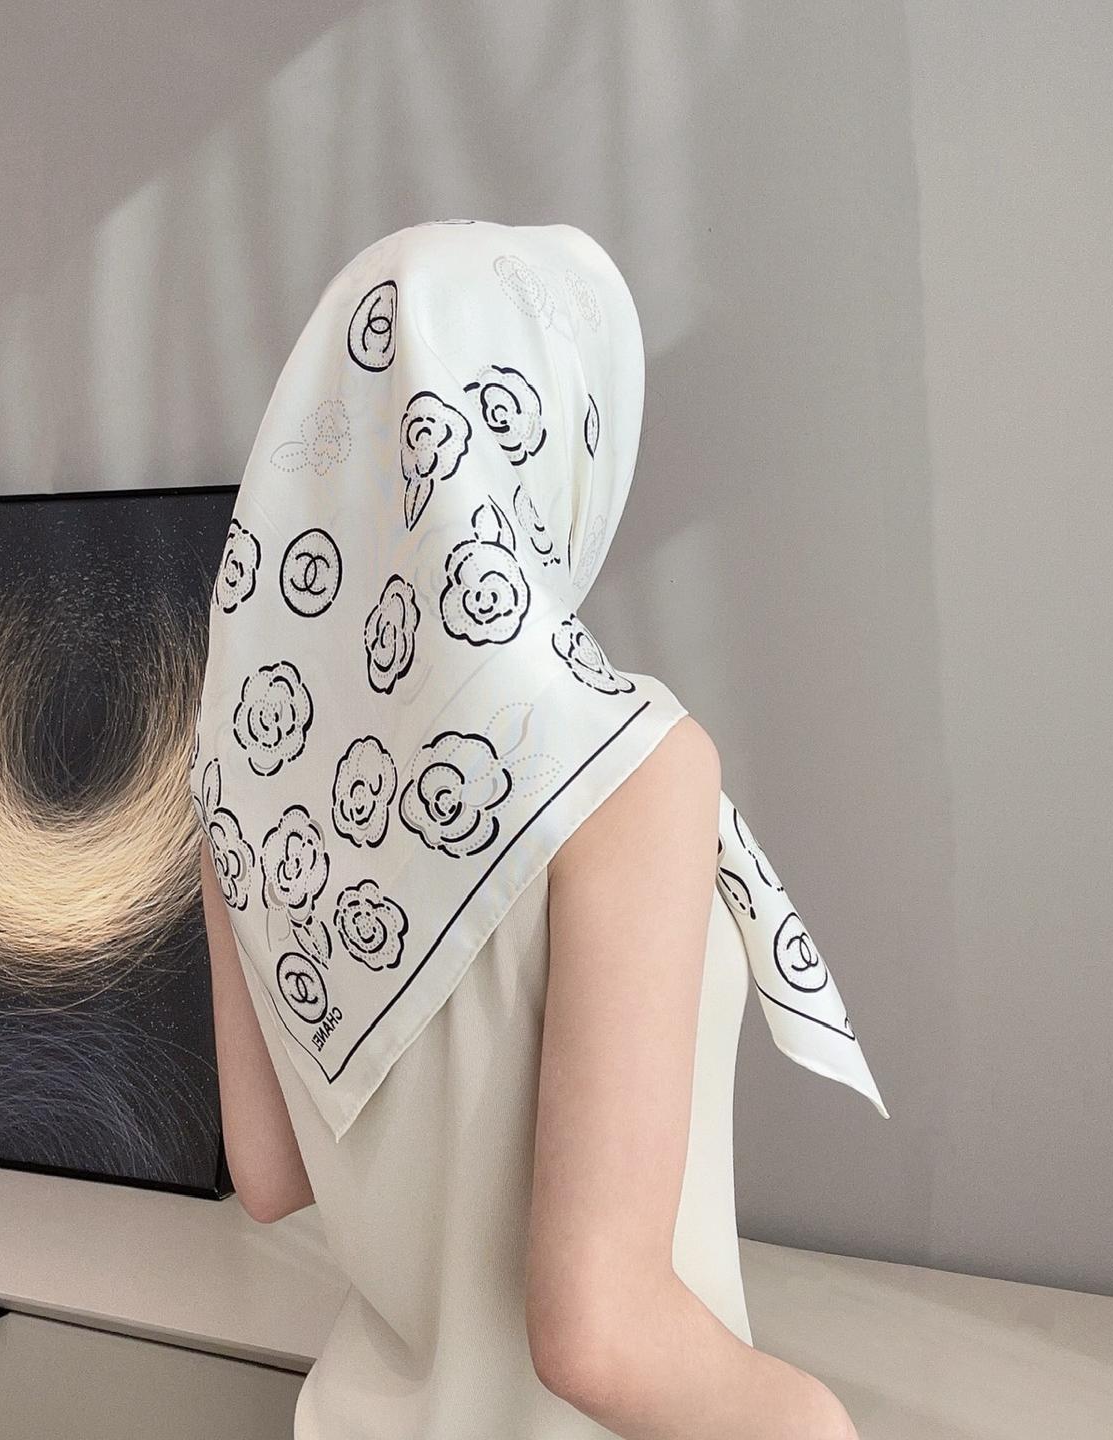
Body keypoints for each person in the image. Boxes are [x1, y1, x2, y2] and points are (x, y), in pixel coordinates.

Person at [189, 219, 886, 1439]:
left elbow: (269, 1174)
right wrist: (818, 1425)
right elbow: (601, 1338)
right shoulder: (634, 768)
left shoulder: (241, 778)